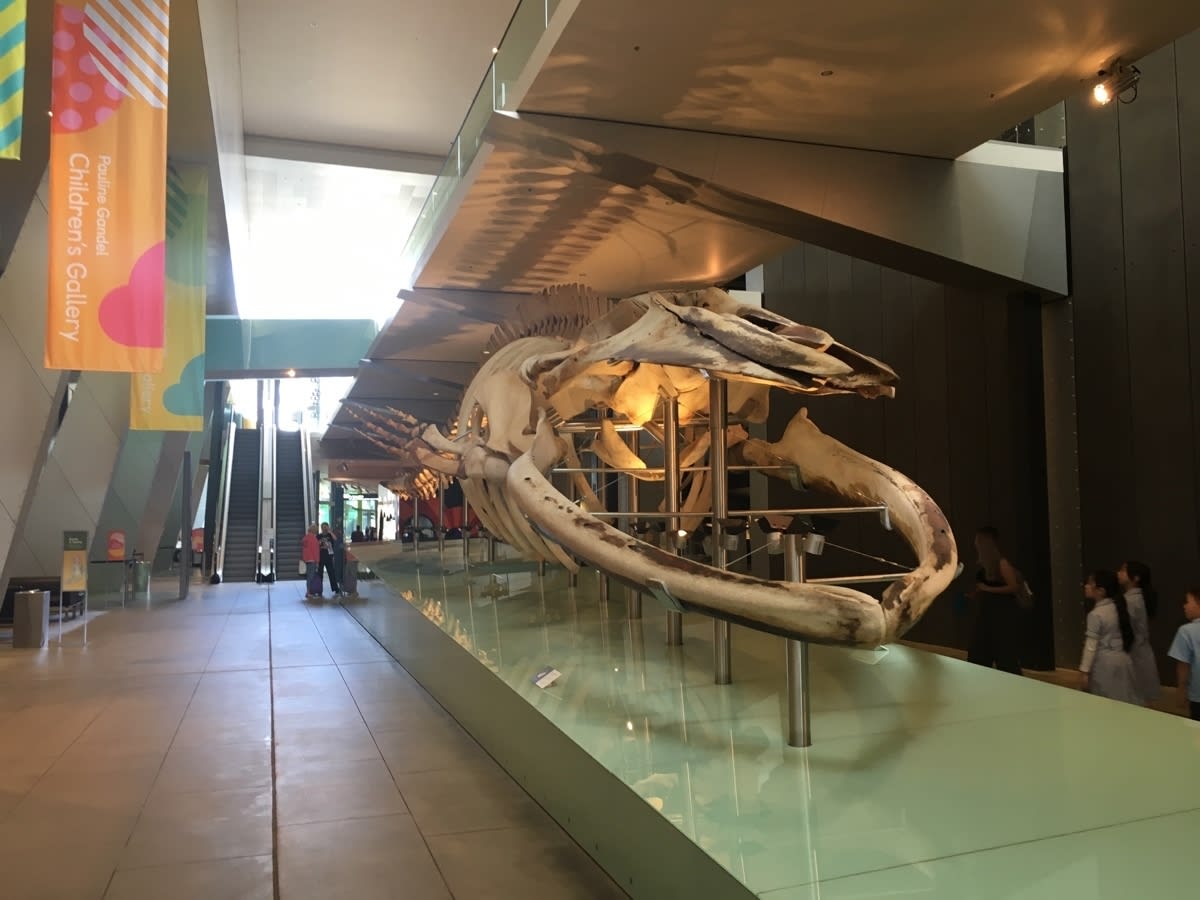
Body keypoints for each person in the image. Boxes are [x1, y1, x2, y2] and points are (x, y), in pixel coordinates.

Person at [1079, 569, 1142, 705]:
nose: (1086, 586)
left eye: (1090, 583)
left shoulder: (1096, 614)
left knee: (1105, 704)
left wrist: (1084, 671)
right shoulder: (1119, 607)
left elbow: (1090, 646)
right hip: (1124, 661)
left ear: (1101, 591)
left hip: (1104, 665)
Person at [967, 526, 1022, 675]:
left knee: (1005, 656)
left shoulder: (1002, 563)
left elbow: (1013, 587)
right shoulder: (984, 565)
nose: (975, 542)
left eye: (978, 539)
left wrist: (987, 589)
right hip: (987, 614)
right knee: (978, 653)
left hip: (1001, 616)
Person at [1117, 560, 1161, 704]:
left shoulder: (1129, 601)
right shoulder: (1142, 598)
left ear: (1135, 578)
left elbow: (1125, 629)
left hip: (1132, 654)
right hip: (1143, 652)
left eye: (1123, 570)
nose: (1118, 573)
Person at [1167, 587, 1200, 721]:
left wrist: (1182, 690)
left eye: (1187, 602)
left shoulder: (1186, 631)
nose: (1184, 606)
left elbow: (1183, 666)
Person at [318, 522, 341, 597]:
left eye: (326, 527)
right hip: (321, 556)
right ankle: (319, 589)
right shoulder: (319, 536)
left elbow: (335, 539)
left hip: (329, 556)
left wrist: (330, 531)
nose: (325, 528)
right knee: (320, 573)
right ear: (321, 528)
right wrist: (321, 546)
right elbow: (316, 545)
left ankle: (335, 588)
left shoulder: (330, 535)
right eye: (323, 527)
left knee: (331, 573)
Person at [301, 525, 321, 599]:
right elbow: (315, 551)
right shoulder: (314, 539)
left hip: (307, 560)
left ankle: (308, 591)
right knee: (311, 576)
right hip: (312, 559)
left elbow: (304, 550)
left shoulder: (305, 538)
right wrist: (317, 561)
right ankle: (309, 592)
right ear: (314, 531)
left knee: (308, 576)